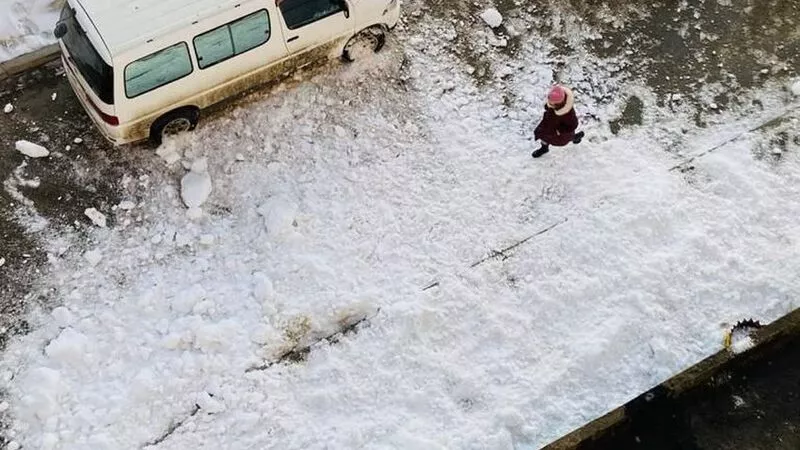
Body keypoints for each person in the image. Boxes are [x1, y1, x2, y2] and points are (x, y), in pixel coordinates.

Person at [532, 84, 584, 158]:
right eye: (550, 102)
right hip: (548, 125)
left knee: (567, 138)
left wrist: (559, 131)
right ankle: (544, 149)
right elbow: (550, 107)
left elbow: (573, 125)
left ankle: (576, 137)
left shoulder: (568, 113)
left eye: (552, 103)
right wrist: (548, 106)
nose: (550, 104)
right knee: (543, 137)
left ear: (560, 103)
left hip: (560, 133)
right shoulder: (554, 103)